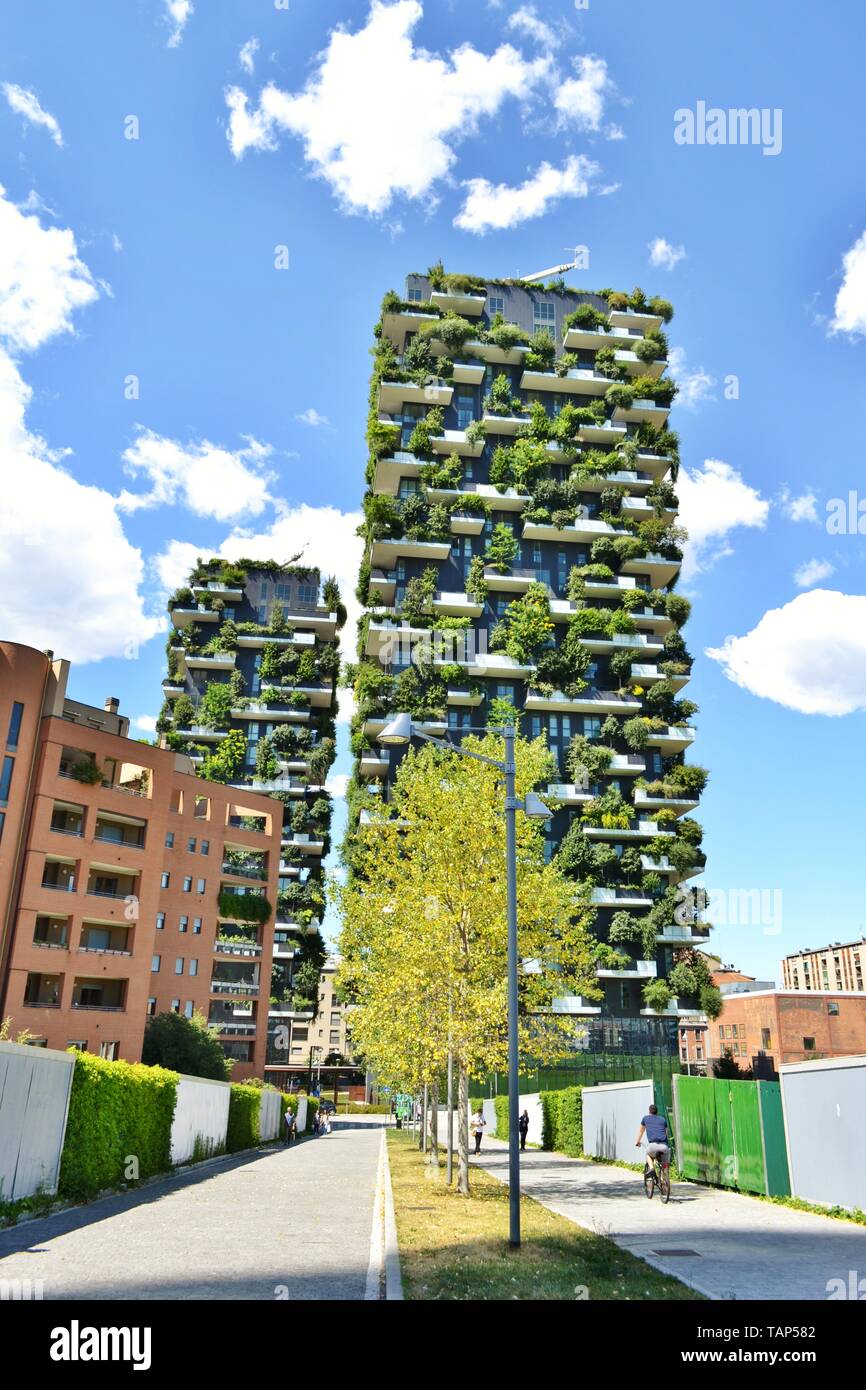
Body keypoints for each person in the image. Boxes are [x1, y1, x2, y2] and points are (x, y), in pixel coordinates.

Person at [635, 1103, 670, 1172]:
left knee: (648, 1154)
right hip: (664, 1146)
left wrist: (637, 1142)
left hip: (652, 1146)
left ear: (649, 1111)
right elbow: (666, 1134)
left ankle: (651, 1168)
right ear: (657, 1112)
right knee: (665, 1164)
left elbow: (641, 1132)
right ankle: (665, 1177)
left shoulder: (645, 1118)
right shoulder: (663, 1119)